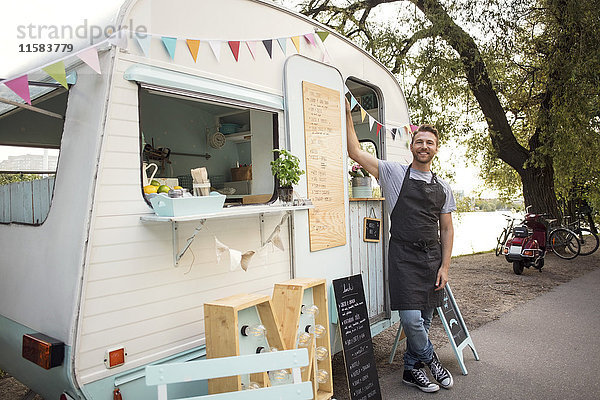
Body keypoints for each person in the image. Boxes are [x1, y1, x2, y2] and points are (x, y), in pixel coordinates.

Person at [345, 99, 456, 393]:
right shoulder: (393, 174)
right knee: (410, 319)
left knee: (426, 318)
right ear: (412, 146)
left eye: (429, 143)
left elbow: (446, 229)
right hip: (403, 257)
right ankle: (432, 360)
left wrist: (445, 266)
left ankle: (410, 370)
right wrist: (347, 114)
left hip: (432, 258)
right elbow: (355, 152)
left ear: (436, 148)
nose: (424, 146)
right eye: (419, 141)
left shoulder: (443, 187)